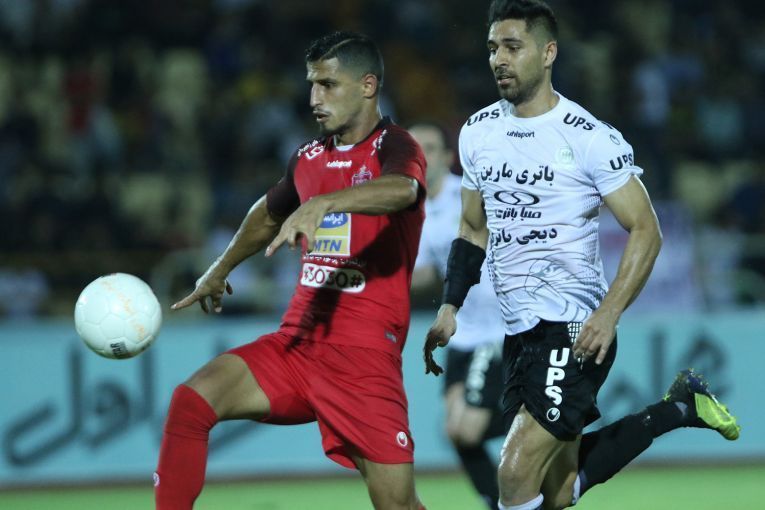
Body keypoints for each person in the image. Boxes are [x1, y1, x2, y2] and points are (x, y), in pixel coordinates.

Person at [423, 2, 741, 510]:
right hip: (518, 333)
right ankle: (679, 408)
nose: (499, 59)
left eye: (512, 47)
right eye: (492, 48)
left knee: (514, 474)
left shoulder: (588, 137)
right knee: (557, 492)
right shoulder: (477, 132)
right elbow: (472, 228)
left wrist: (608, 313)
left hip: (572, 328)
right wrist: (450, 303)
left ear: (548, 52)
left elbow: (646, 230)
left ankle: (679, 407)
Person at [155, 31, 428, 510]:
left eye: (328, 85)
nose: (314, 98)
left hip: (363, 360)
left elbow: (403, 190)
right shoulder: (308, 156)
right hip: (297, 346)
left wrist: (325, 203)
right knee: (191, 401)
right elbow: (267, 213)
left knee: (397, 506)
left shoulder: (395, 145)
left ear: (367, 86)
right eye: (312, 85)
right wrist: (220, 267)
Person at [408, 122, 505, 509]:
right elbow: (423, 274)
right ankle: (499, 501)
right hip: (461, 332)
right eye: (413, 148)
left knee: (467, 429)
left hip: (497, 328)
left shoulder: (469, 195)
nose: (420, 156)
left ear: (448, 158)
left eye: (429, 147)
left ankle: (542, 420)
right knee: (455, 431)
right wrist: (368, 274)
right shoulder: (413, 211)